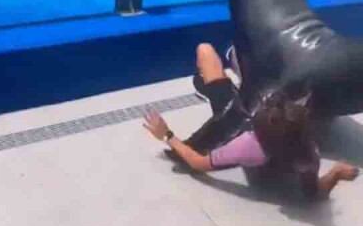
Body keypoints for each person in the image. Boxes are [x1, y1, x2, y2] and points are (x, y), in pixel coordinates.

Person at [143, 43, 359, 199]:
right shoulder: (307, 153)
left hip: (236, 117)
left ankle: (235, 65)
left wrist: (167, 135)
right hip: (269, 144)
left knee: (205, 51)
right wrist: (336, 172)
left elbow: (197, 162)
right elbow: (314, 192)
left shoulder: (248, 145)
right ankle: (237, 67)